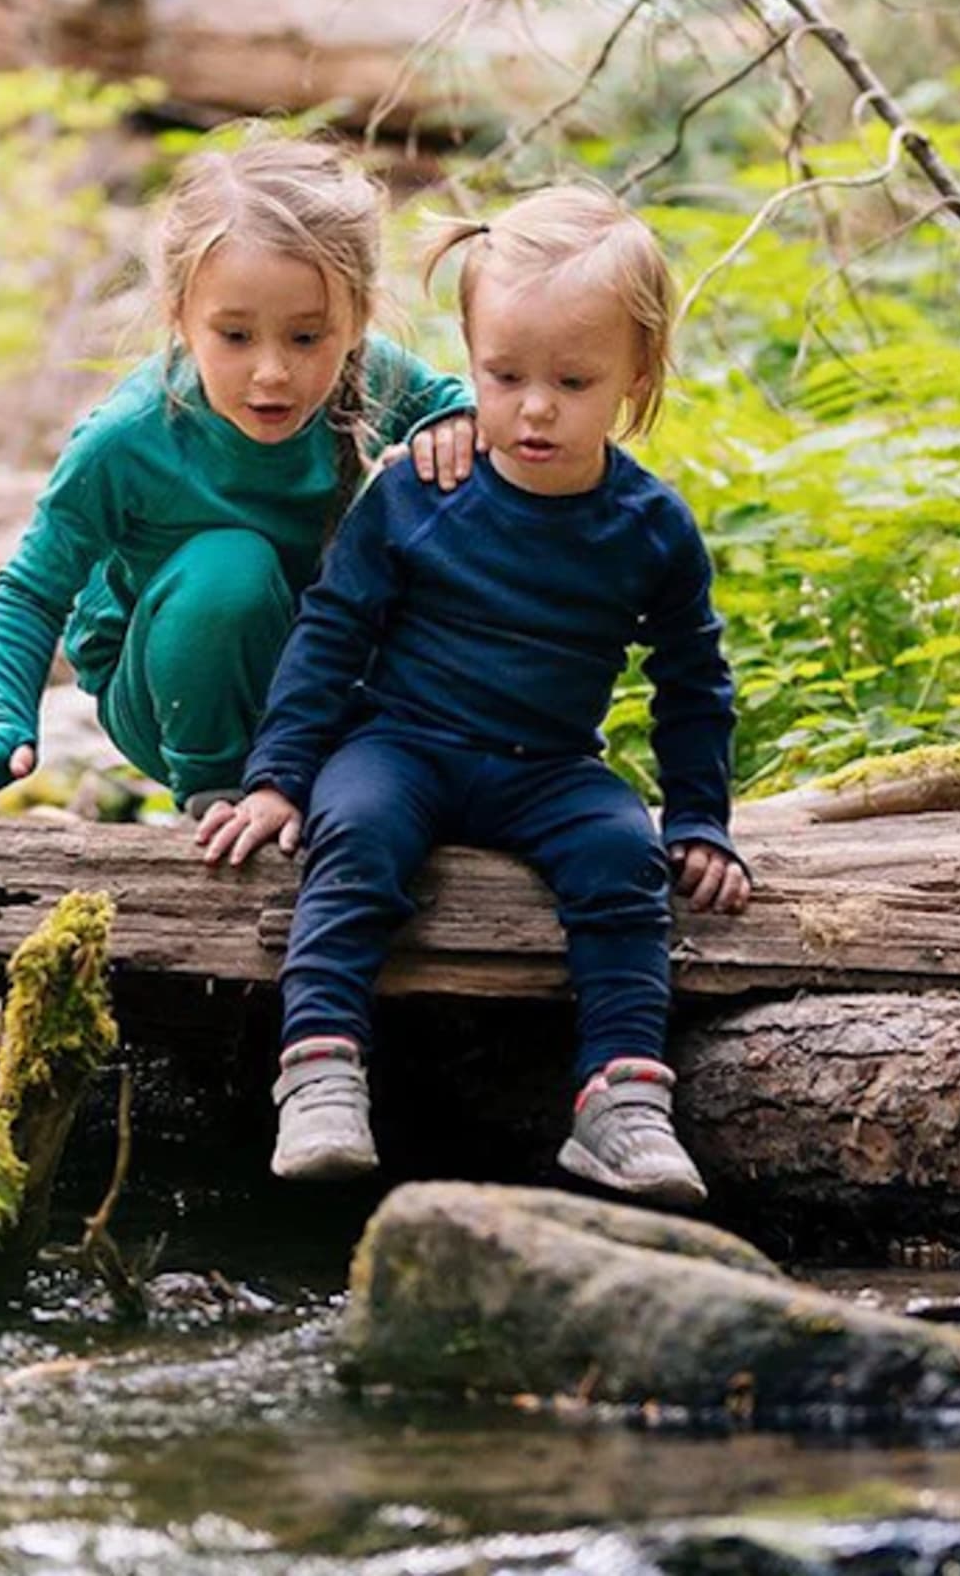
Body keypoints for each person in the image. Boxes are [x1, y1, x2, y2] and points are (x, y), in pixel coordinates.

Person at [197, 182, 750, 1208]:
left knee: (621, 858)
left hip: (546, 767)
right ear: (470, 363)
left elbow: (691, 680)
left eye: (572, 380)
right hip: (399, 745)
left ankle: (619, 1100)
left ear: (637, 377)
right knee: (351, 832)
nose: (534, 406)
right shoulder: (418, 491)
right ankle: (319, 1069)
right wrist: (278, 779)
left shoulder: (649, 528)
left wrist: (701, 822)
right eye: (504, 375)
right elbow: (330, 633)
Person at [0, 136, 479, 812]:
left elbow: (456, 407)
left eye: (306, 337)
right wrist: (1, 726)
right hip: (170, 694)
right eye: (235, 337)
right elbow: (32, 590)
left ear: (356, 317)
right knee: (229, 565)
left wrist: (457, 428)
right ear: (181, 316)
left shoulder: (374, 374)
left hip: (309, 672)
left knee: (431, 498)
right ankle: (219, 791)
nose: (272, 371)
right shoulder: (130, 439)